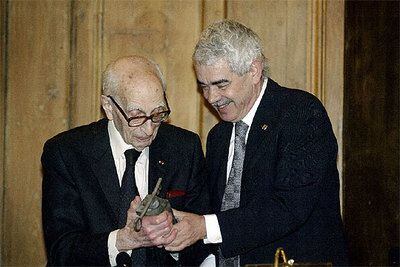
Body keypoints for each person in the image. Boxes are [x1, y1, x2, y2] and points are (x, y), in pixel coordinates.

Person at [165, 20, 348, 266]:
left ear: (254, 70)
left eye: (221, 84)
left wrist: (204, 227)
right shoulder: (218, 136)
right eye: (204, 87)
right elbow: (212, 215)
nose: (211, 98)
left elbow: (288, 208)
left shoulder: (300, 114)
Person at [42, 55, 210, 266]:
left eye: (158, 114)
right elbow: (62, 250)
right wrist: (121, 240)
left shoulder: (185, 148)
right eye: (136, 116)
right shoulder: (67, 153)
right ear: (109, 107)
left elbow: (202, 243)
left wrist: (174, 238)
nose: (149, 129)